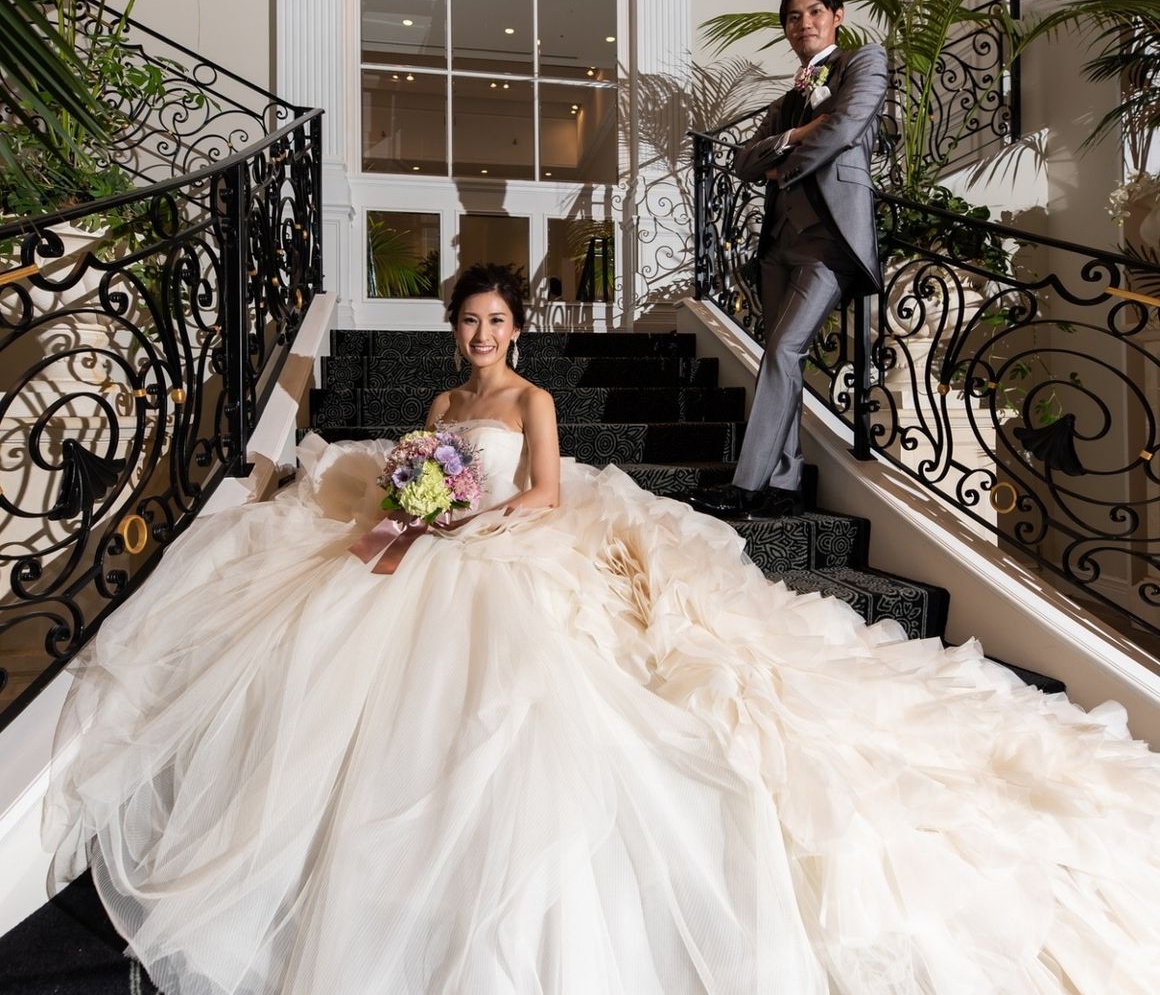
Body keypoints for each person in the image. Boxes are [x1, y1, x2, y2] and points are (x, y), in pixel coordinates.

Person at [45, 264, 1160, 994]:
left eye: (496, 322)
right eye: (468, 322)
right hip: (432, 535)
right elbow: (416, 473)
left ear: (515, 329)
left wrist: (461, 516)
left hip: (500, 542)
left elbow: (542, 493)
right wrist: (413, 507)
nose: (481, 335)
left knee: (512, 670)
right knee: (342, 632)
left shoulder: (531, 401)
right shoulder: (439, 406)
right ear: (452, 330)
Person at [690, 0, 888, 519]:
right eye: (793, 17)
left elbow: (845, 126)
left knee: (782, 350)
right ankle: (785, 484)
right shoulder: (788, 99)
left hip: (828, 240)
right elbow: (743, 161)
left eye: (814, 12)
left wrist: (786, 166)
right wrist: (795, 135)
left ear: (837, 16)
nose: (804, 23)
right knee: (782, 358)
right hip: (778, 243)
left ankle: (746, 486)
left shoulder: (864, 62)